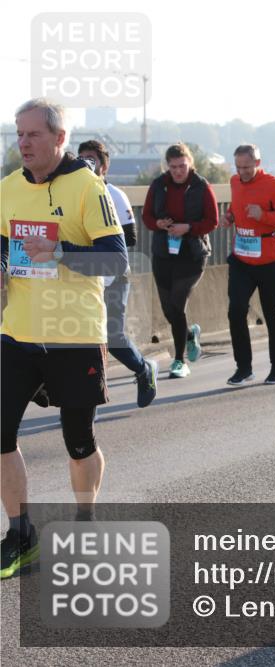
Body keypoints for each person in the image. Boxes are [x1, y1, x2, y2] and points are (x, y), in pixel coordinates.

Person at [1, 99, 128, 578]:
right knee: (0, 435)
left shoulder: (87, 187)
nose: (23, 143)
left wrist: (59, 252)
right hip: (17, 333)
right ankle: (20, 534)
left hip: (74, 335)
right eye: (18, 134)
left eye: (33, 134)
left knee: (78, 441)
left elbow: (115, 262)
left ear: (58, 138)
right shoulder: (8, 188)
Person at [77, 140, 158, 407]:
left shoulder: (114, 194)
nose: (87, 164)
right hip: (83, 278)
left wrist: (101, 238)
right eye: (82, 159)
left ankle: (143, 369)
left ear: (104, 164)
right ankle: (86, 392)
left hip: (113, 277)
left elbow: (131, 238)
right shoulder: (73, 194)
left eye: (92, 159)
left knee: (112, 335)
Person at [223, 144, 275, 385]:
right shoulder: (234, 182)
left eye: (247, 167)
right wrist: (230, 216)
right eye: (238, 167)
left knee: (271, 314)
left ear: (257, 163)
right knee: (236, 311)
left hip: (270, 260)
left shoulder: (274, 185)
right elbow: (237, 206)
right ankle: (244, 368)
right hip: (242, 259)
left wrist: (264, 215)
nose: (242, 172)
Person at [141, 143, 218, 378]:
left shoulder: (201, 186)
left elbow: (212, 221)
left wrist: (189, 228)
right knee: (167, 308)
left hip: (192, 254)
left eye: (182, 166)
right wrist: (159, 224)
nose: (178, 171)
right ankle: (189, 334)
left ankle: (179, 360)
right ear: (168, 166)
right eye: (173, 167)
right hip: (164, 253)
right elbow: (146, 217)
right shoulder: (158, 185)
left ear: (190, 163)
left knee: (177, 302)